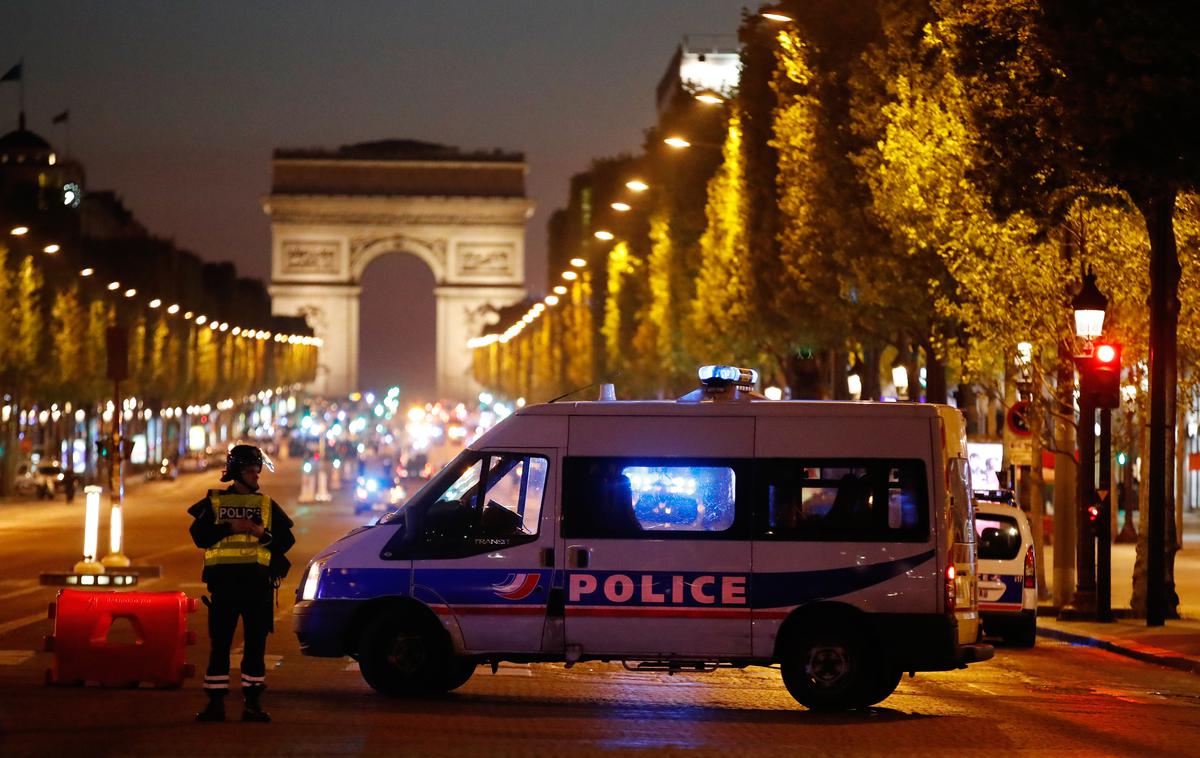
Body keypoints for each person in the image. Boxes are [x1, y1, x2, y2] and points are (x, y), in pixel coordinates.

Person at [188, 444, 294, 723]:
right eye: (251, 471)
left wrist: (262, 534)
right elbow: (199, 536)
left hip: (256, 586)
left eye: (257, 471)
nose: (256, 476)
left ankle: (253, 704)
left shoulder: (266, 505)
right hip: (224, 586)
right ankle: (215, 704)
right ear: (237, 473)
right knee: (220, 645)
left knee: (255, 647)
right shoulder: (216, 503)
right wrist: (229, 528)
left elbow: (286, 542)